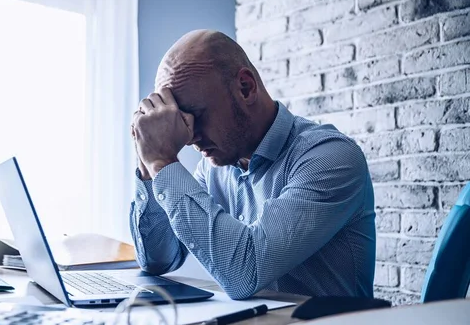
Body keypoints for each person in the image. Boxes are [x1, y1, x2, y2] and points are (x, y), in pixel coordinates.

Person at [129, 30, 375, 300]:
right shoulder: (213, 168)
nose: (190, 138)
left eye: (197, 115)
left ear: (245, 88)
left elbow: (245, 273)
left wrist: (162, 161)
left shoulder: (330, 157)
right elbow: (159, 260)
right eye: (182, 121)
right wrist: (147, 160)